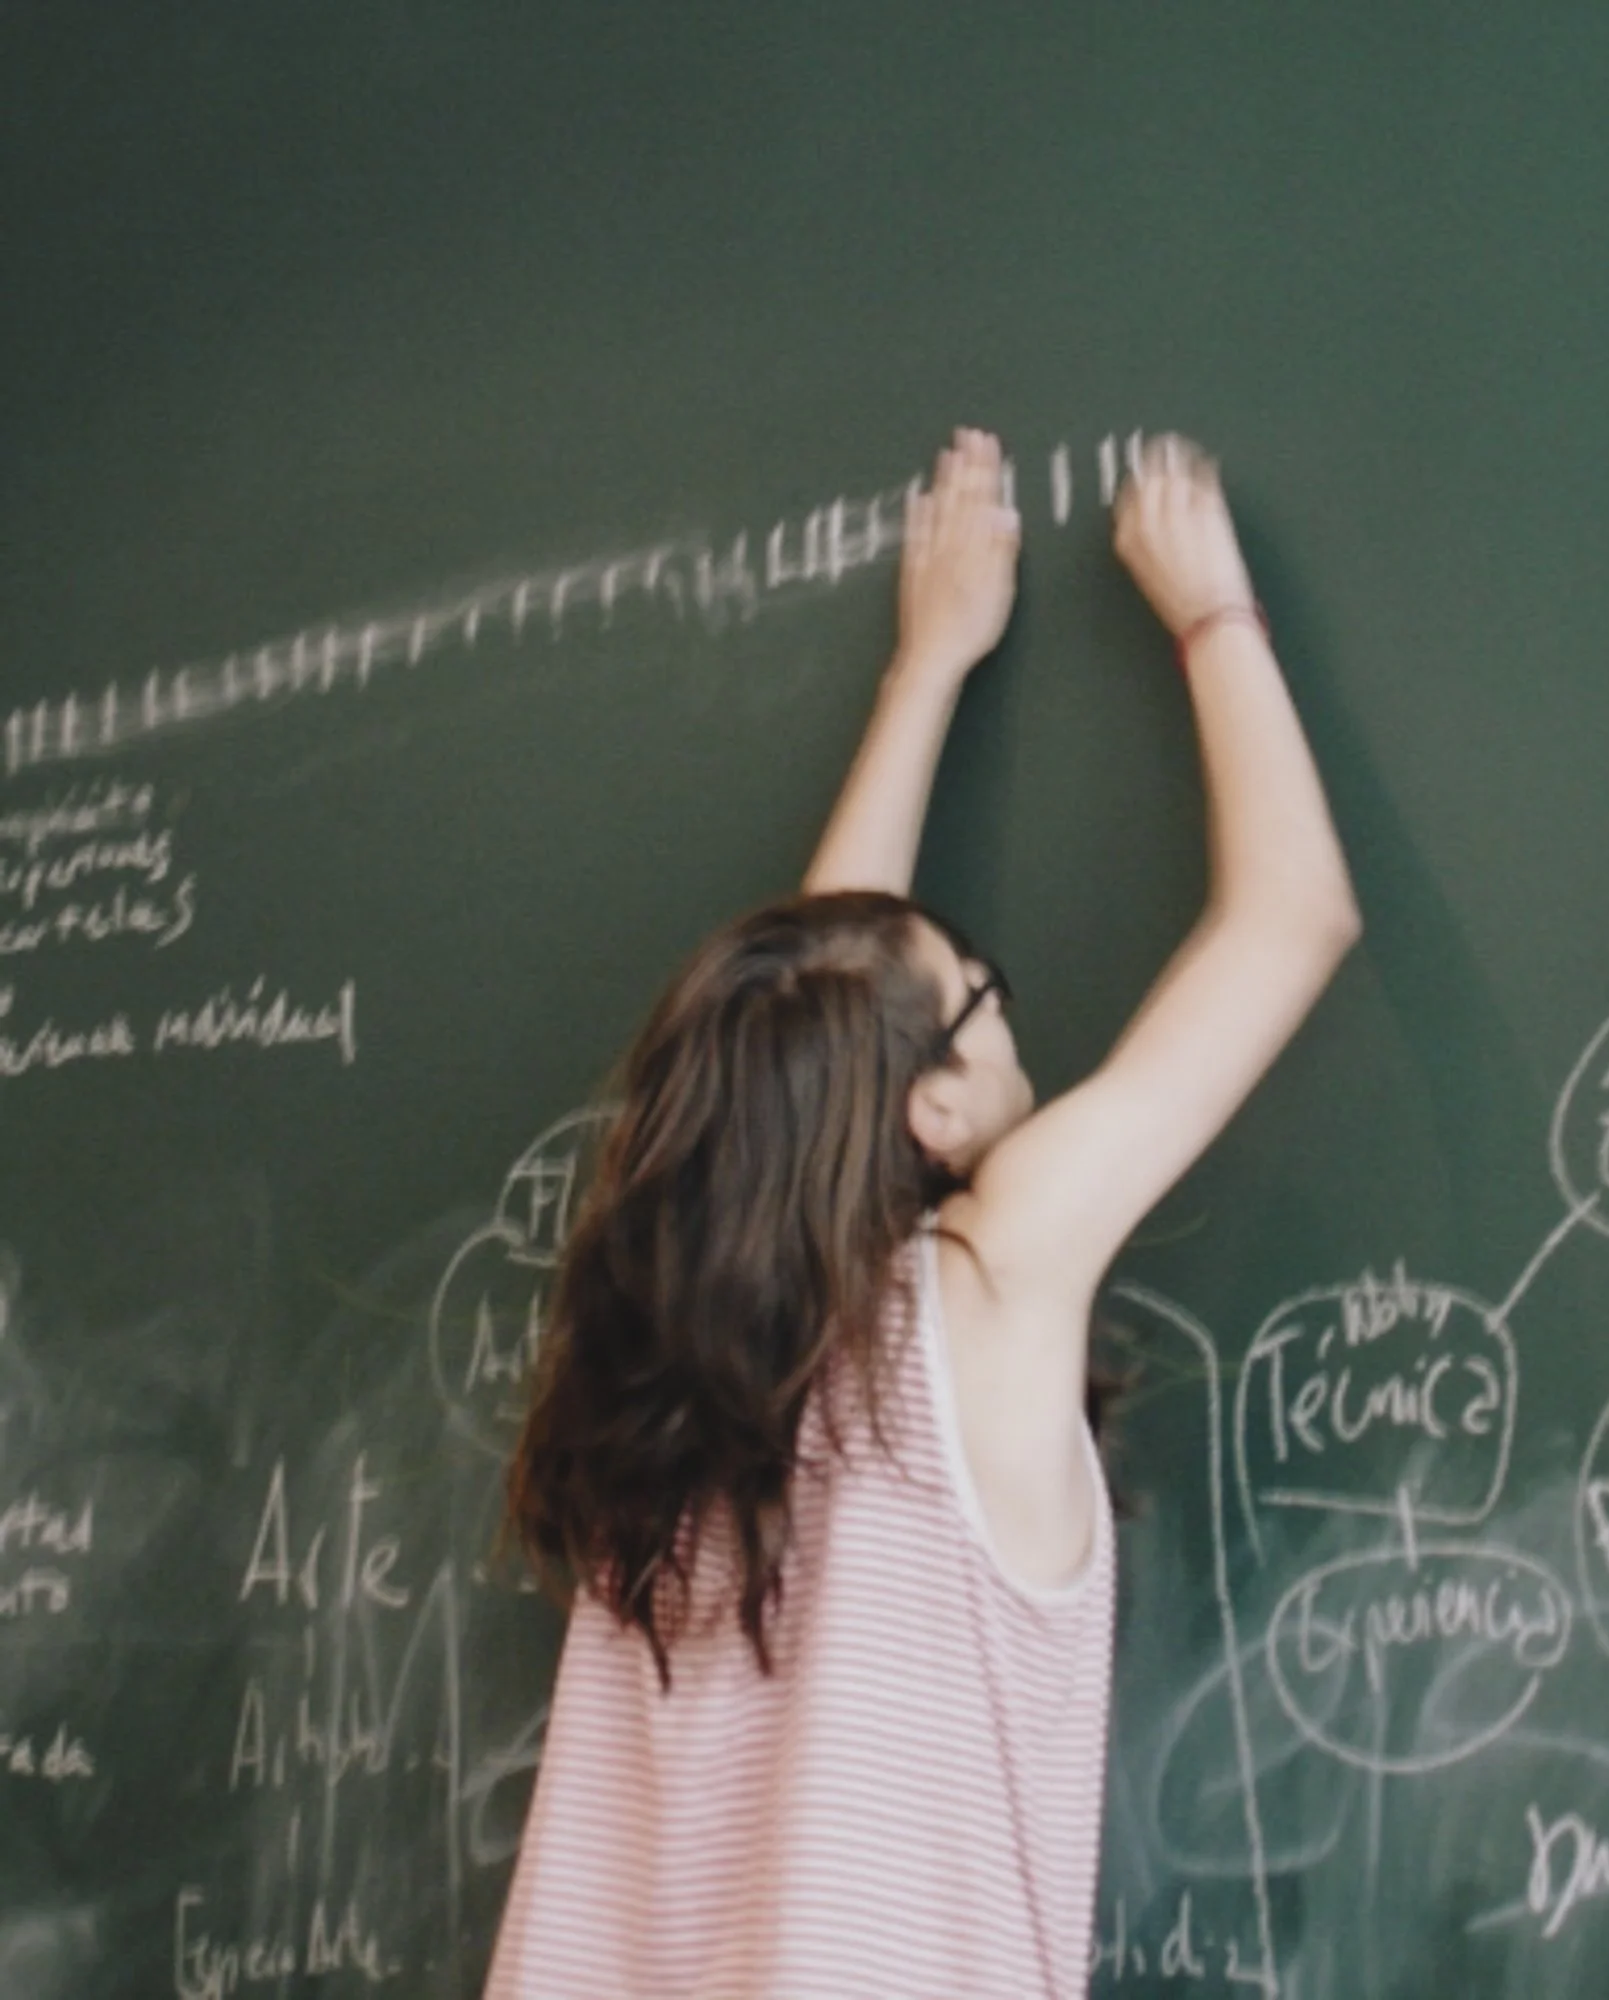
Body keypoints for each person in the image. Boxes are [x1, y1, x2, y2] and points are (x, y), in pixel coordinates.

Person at [485, 429, 1361, 1999]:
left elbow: (823, 1014)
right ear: (933, 1107)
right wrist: (1214, 615)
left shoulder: (669, 1390)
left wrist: (928, 666)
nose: (1009, 1021)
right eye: (984, 1002)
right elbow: (1291, 918)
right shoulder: (978, 1286)